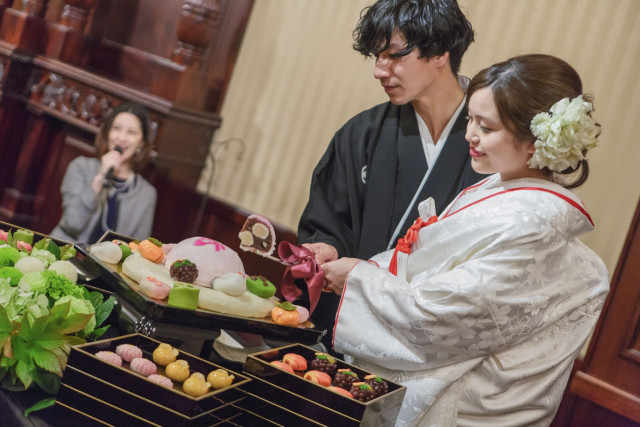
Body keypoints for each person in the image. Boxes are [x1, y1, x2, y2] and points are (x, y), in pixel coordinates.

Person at [321, 54, 610, 426]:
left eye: (486, 127)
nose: (470, 135)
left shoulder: (533, 223)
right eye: (470, 119)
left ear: (535, 142)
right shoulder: (502, 188)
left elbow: (442, 318)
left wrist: (357, 280)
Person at [296, 0, 486, 355]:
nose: (379, 71)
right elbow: (330, 220)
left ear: (440, 52)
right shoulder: (362, 134)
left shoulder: (489, 143)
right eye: (376, 57)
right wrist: (328, 246)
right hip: (350, 328)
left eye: (394, 55)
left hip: (432, 340)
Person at [50, 102, 157, 243]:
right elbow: (72, 223)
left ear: (141, 143)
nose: (122, 137)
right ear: (108, 133)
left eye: (131, 132)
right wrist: (100, 177)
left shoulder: (146, 193)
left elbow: (138, 248)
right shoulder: (81, 167)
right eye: (117, 128)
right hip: (64, 253)